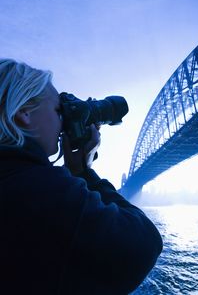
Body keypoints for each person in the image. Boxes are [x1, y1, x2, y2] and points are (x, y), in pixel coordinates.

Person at [0, 58, 163, 295]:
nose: (62, 121)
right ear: (24, 111)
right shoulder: (42, 189)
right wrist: (82, 171)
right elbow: (144, 245)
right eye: (58, 110)